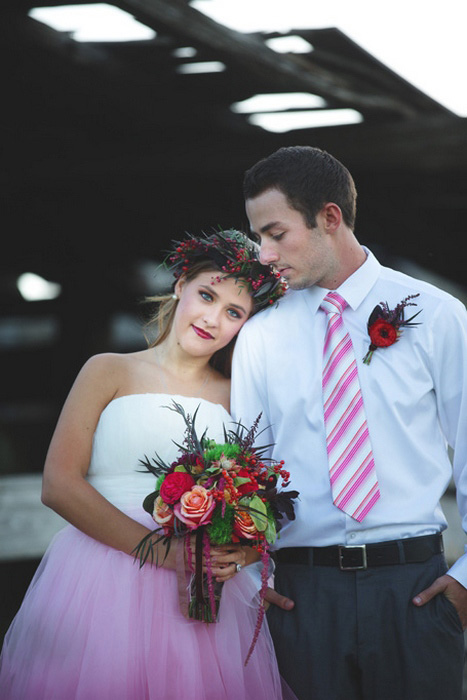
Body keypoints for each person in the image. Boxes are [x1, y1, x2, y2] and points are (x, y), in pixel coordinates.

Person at [0, 229, 295, 700]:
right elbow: (58, 485)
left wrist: (241, 554)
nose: (212, 318)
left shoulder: (239, 397)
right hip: (98, 579)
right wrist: (165, 555)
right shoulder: (107, 370)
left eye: (233, 312)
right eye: (206, 295)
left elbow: (263, 497)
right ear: (181, 286)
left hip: (201, 596)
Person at [231, 145, 467, 700]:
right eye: (257, 238)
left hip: (416, 589)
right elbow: (247, 466)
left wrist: (466, 584)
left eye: (275, 233)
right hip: (301, 595)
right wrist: (248, 581)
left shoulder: (436, 315)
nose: (263, 255)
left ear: (329, 217)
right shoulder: (261, 334)